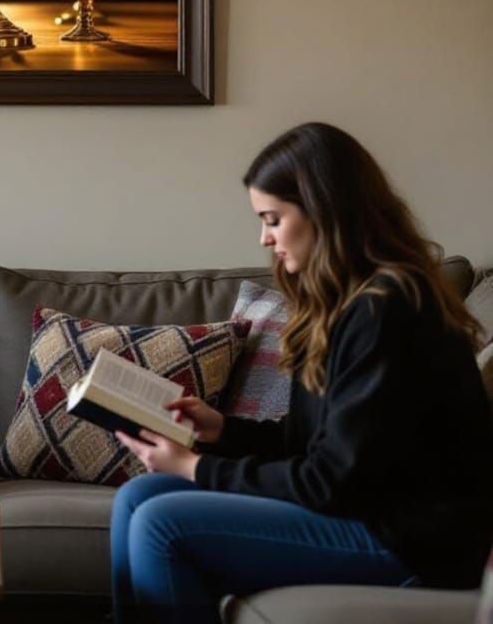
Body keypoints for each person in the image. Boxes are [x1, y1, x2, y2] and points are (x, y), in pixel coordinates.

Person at [110, 122, 493, 623]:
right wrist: (222, 430)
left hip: (411, 539)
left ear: (324, 211)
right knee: (138, 496)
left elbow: (330, 480)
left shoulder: (390, 309)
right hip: (365, 510)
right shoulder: (347, 302)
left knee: (162, 524)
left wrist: (194, 467)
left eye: (272, 219)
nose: (264, 238)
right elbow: (319, 443)